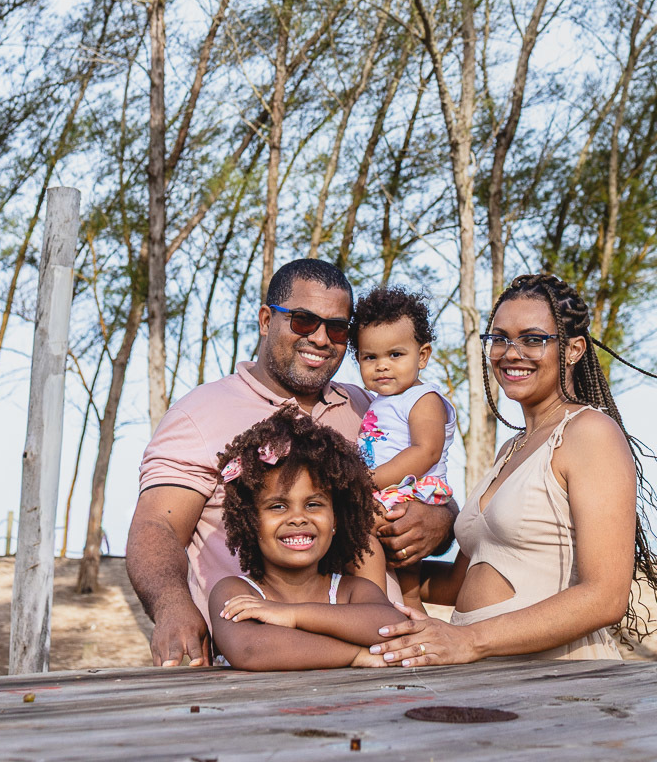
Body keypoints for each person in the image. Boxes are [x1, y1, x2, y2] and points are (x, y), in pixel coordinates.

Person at [126, 258, 456, 668]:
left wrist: (438, 520)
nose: (320, 338)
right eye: (303, 321)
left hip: (386, 656)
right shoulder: (200, 413)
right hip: (263, 663)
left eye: (337, 328)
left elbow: (426, 479)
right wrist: (172, 607)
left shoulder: (369, 407)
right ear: (267, 320)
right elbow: (156, 526)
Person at [368, 273, 657, 667]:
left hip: (559, 677)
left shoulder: (590, 434)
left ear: (573, 350)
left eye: (533, 339)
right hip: (488, 673)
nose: (510, 352)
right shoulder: (511, 449)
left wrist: (469, 641)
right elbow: (460, 583)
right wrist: (378, 553)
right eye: (499, 338)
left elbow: (605, 597)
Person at [209, 406, 403, 669]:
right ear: (250, 523)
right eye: (278, 506)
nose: (298, 518)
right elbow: (252, 649)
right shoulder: (236, 592)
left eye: (313, 504)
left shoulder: (352, 590)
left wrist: (293, 615)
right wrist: (355, 655)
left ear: (336, 520)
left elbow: (393, 626)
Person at [350, 287, 456, 607]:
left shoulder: (424, 399)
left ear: (422, 356)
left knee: (372, 532)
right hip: (386, 485)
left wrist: (368, 481)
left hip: (411, 487)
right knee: (378, 545)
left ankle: (392, 606)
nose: (382, 366)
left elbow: (426, 452)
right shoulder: (381, 400)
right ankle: (392, 602)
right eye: (371, 357)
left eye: (395, 355)